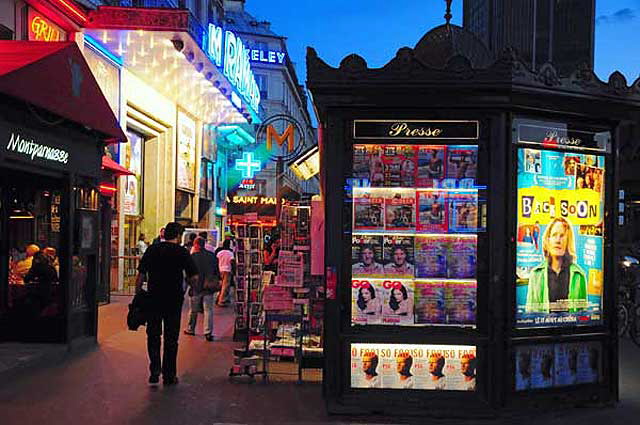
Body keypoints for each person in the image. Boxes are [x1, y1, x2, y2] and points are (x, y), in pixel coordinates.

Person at [135, 222, 198, 385]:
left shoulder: (152, 249)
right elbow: (193, 277)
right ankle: (169, 374)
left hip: (154, 298)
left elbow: (141, 275)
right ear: (177, 236)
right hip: (173, 299)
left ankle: (155, 369)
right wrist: (193, 290)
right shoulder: (182, 252)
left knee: (153, 335)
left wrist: (138, 294)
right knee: (171, 337)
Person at [525, 217, 587, 313]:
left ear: (568, 241)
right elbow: (530, 313)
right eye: (554, 235)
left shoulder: (579, 275)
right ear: (548, 240)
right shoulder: (535, 275)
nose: (558, 240)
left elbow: (584, 314)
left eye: (562, 236)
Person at [184, 237, 218, 341]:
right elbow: (216, 271)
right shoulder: (212, 256)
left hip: (196, 286)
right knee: (208, 310)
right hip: (209, 286)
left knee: (193, 310)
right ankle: (208, 332)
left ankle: (191, 328)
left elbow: (188, 273)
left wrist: (188, 284)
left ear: (196, 245)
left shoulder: (192, 257)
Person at [216, 239, 235, 306]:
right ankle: (221, 300)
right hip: (227, 270)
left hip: (220, 270)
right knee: (225, 286)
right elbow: (232, 262)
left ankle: (219, 298)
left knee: (221, 286)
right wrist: (234, 270)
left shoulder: (219, 252)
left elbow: (216, 261)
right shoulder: (230, 253)